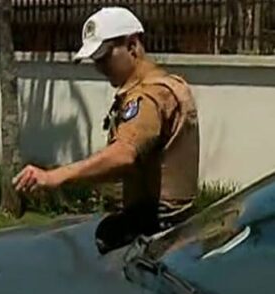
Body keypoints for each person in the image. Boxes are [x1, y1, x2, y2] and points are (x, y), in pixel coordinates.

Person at [13, 6, 201, 254]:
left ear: (132, 46)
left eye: (104, 57)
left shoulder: (149, 96)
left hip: (156, 226)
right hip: (169, 223)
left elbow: (123, 154)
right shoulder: (168, 86)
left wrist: (54, 176)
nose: (99, 67)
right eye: (95, 60)